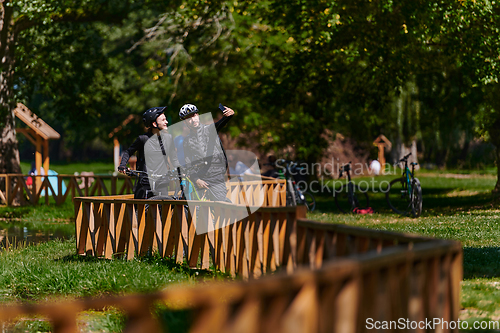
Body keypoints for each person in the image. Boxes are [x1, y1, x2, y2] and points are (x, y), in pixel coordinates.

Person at [118, 107, 180, 199]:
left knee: (164, 210)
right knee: (139, 210)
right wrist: (123, 165)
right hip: (145, 181)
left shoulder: (169, 138)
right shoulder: (143, 139)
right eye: (163, 120)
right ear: (154, 124)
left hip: (162, 182)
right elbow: (128, 152)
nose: (166, 122)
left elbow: (174, 159)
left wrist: (180, 171)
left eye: (165, 119)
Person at [179, 103, 234, 202]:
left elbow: (219, 124)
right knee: (196, 208)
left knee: (221, 206)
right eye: (188, 118)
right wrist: (196, 179)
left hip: (215, 175)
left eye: (194, 115)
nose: (192, 120)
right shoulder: (187, 141)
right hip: (199, 177)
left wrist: (229, 116)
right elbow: (188, 164)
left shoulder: (209, 130)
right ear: (185, 122)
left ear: (197, 115)